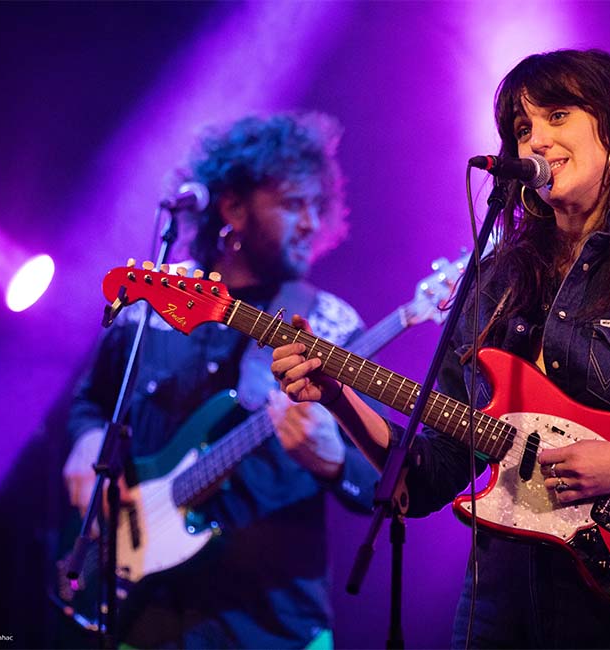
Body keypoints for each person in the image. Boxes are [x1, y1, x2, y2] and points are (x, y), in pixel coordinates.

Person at [271, 49, 610, 648]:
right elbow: (429, 477)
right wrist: (337, 396)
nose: (536, 141)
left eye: (557, 115)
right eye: (522, 129)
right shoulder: (492, 282)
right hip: (498, 606)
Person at [62, 112, 379, 649]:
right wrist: (86, 445)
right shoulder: (154, 300)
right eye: (291, 203)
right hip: (144, 614)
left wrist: (332, 460)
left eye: (315, 206)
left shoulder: (330, 325)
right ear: (232, 207)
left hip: (275, 625)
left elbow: (387, 483)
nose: (309, 222)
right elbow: (91, 402)